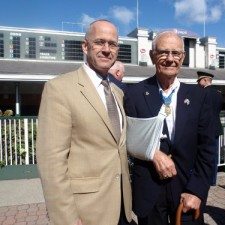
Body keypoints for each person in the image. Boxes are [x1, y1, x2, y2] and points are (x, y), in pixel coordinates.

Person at [36, 19, 132, 225]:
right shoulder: (59, 89)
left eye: (112, 44)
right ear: (85, 46)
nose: (107, 49)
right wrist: (67, 219)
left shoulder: (117, 92)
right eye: (99, 42)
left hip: (122, 209)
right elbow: (51, 162)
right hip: (87, 212)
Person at [124, 30, 216, 225]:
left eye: (176, 53)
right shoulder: (134, 94)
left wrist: (197, 191)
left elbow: (207, 148)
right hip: (149, 190)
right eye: (163, 52)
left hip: (187, 191)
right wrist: (153, 153)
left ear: (183, 57)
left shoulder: (200, 97)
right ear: (152, 55)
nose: (170, 59)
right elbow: (129, 139)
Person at [197, 71, 223, 186]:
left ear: (206, 80)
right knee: (214, 156)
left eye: (199, 80)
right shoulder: (218, 93)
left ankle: (204, 179)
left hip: (204, 129)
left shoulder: (202, 93)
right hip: (216, 128)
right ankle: (213, 180)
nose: (198, 83)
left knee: (203, 156)